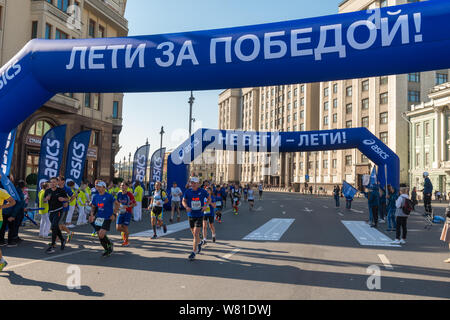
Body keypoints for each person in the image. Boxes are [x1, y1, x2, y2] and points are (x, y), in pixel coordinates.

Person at [182, 177, 211, 261]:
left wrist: (206, 205)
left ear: (198, 184)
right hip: (190, 214)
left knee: (195, 233)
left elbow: (209, 198)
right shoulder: (188, 191)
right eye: (192, 183)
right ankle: (199, 243)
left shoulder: (202, 191)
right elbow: (183, 200)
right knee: (194, 233)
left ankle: (193, 252)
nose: (193, 184)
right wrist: (186, 206)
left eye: (194, 183)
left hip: (199, 214)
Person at [89, 180, 119, 257]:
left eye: (99, 187)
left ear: (104, 187)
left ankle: (109, 244)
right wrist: (92, 215)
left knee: (101, 234)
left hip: (107, 217)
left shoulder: (109, 196)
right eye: (97, 187)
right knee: (99, 235)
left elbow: (117, 204)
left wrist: (114, 214)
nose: (98, 188)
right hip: (99, 217)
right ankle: (107, 248)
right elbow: (93, 207)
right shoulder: (96, 196)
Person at [44, 177, 70, 254]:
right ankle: (62, 240)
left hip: (58, 210)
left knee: (53, 226)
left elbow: (67, 199)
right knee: (55, 227)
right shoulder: (48, 191)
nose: (52, 183)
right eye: (51, 182)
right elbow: (44, 200)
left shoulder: (60, 190)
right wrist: (46, 199)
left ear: (57, 183)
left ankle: (52, 245)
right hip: (51, 211)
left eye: (54, 182)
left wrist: (63, 199)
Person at [0, 188, 16, 271]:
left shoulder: (1, 192)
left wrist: (2, 206)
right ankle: (2, 261)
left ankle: (2, 261)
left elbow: (13, 202)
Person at [116, 182, 136, 247]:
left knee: (125, 227)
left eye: (123, 185)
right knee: (118, 228)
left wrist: (127, 206)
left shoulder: (129, 194)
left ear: (127, 187)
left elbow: (135, 204)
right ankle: (126, 232)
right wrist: (116, 211)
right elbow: (117, 203)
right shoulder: (119, 194)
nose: (122, 186)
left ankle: (126, 241)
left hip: (127, 212)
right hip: (120, 212)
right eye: (121, 185)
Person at [57, 177, 74, 242]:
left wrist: (68, 201)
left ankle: (55, 240)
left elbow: (73, 196)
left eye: (58, 180)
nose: (57, 181)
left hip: (64, 209)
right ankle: (69, 233)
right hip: (56, 208)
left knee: (59, 224)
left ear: (63, 182)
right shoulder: (56, 188)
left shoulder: (67, 189)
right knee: (59, 224)